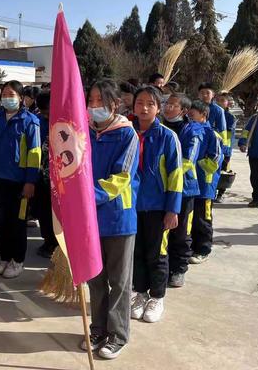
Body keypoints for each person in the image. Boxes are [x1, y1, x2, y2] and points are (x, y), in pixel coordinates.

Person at [83, 81, 139, 360]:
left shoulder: (126, 134)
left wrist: (87, 197)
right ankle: (97, 328)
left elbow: (121, 178)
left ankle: (118, 335)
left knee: (119, 281)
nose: (94, 107)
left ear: (114, 104)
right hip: (90, 219)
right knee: (95, 278)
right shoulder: (85, 133)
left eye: (100, 101)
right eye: (90, 101)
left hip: (118, 217)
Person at [131, 86, 182, 323]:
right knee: (137, 251)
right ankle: (140, 293)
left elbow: (175, 175)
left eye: (150, 104)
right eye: (139, 102)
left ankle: (157, 297)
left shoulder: (167, 137)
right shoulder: (127, 132)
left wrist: (173, 209)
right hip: (131, 205)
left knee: (157, 253)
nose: (144, 108)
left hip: (158, 206)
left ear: (158, 108)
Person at [0, 80, 41, 279]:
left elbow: (35, 154)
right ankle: (4, 258)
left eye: (11, 94)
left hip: (19, 182)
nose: (7, 97)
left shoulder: (30, 121)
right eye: (4, 94)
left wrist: (30, 181)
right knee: (1, 222)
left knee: (17, 223)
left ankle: (18, 261)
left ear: (20, 97)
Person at [163, 94, 203, 287]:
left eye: (173, 105)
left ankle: (179, 269)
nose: (168, 108)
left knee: (181, 231)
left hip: (184, 189)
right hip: (160, 189)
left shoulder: (192, 131)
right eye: (166, 104)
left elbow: (187, 161)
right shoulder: (158, 126)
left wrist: (163, 174)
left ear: (184, 111)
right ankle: (163, 267)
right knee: (161, 231)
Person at [188, 100, 223, 265]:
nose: (189, 116)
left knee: (203, 218)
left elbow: (215, 159)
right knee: (191, 218)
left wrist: (197, 165)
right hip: (192, 184)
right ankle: (192, 247)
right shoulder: (190, 130)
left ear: (203, 115)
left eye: (193, 114)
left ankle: (203, 249)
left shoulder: (211, 134)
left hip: (204, 185)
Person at [34, 90, 57, 259]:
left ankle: (57, 243)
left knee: (56, 214)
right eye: (43, 112)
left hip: (59, 178)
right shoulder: (38, 121)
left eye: (48, 111)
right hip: (40, 176)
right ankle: (48, 240)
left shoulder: (64, 122)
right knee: (43, 211)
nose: (46, 115)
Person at [238, 93, 258, 207]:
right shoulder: (255, 118)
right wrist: (243, 143)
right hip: (255, 154)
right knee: (255, 178)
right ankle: (257, 198)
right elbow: (246, 131)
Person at [215, 92, 237, 203]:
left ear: (228, 103)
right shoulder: (212, 113)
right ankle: (213, 191)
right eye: (218, 100)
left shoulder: (230, 117)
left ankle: (221, 193)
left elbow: (227, 132)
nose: (219, 102)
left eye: (222, 100)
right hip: (212, 148)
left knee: (223, 171)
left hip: (225, 149)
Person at [198, 82, 229, 154]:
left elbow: (222, 131)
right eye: (202, 93)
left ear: (213, 95)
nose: (205, 95)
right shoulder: (192, 108)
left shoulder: (218, 110)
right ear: (198, 95)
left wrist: (222, 150)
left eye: (208, 93)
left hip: (212, 145)